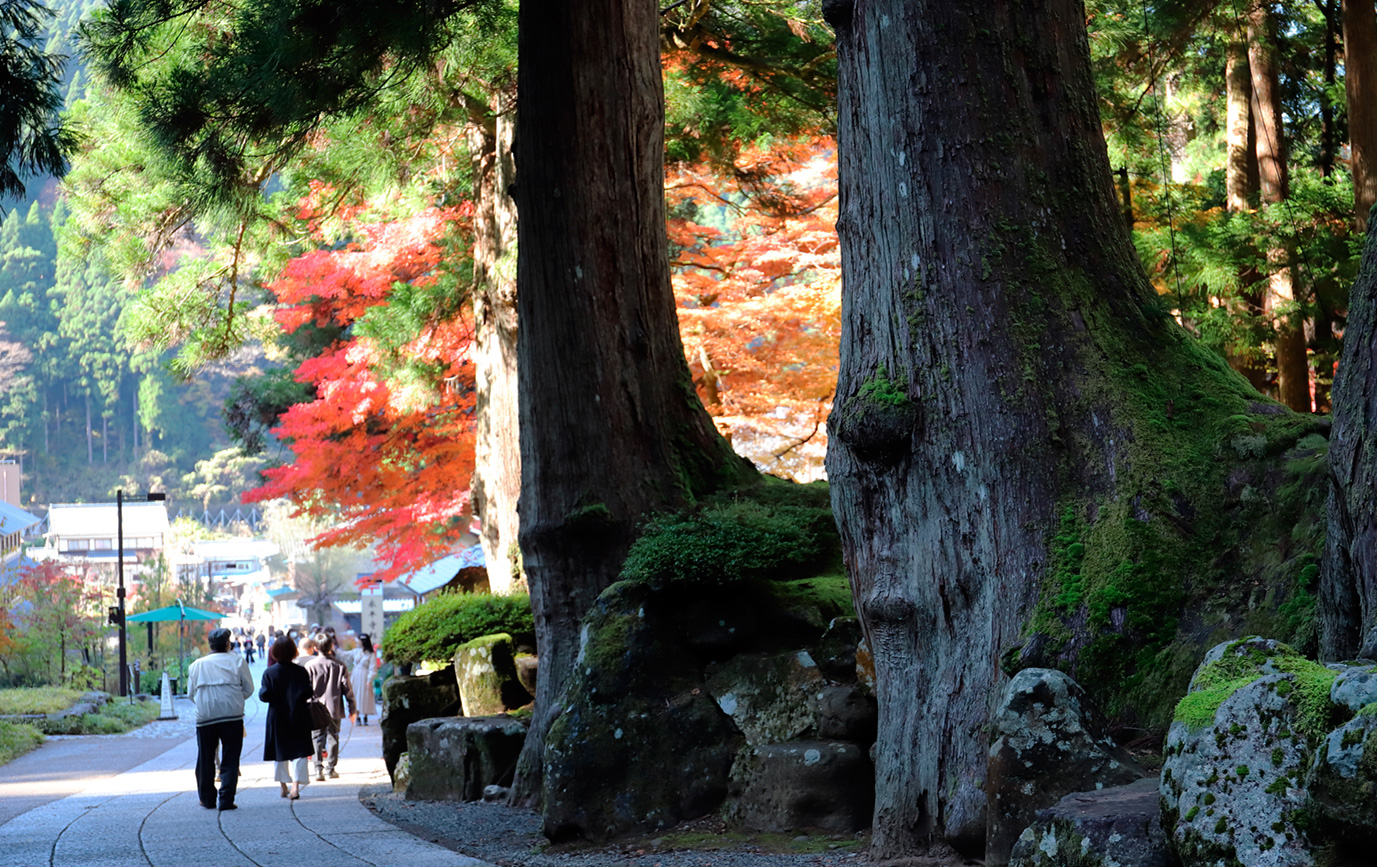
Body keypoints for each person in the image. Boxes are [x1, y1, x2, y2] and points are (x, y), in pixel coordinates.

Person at [186, 627, 255, 811]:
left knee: (205, 758)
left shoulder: (196, 665)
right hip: (232, 716)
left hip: (206, 717)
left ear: (210, 645)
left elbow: (191, 694)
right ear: (227, 644)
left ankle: (207, 799)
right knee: (231, 758)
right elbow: (248, 689)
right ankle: (226, 800)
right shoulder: (238, 662)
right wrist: (234, 699)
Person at [259, 635, 315, 800]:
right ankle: (295, 786)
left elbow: (264, 696)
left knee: (280, 752)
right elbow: (308, 692)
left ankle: (283, 786)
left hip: (278, 717)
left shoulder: (270, 672)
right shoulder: (300, 671)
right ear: (293, 651)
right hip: (299, 715)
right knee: (300, 752)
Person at [302, 634, 356, 780]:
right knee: (333, 736)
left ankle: (318, 769)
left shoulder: (310, 666)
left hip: (315, 708)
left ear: (314, 648)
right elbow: (347, 689)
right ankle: (330, 769)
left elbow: (306, 689)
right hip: (334, 706)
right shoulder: (339, 666)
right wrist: (352, 709)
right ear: (331, 646)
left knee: (316, 738)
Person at [345, 634, 379, 726]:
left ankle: (365, 715)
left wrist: (369, 680)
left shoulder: (370, 654)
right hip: (356, 675)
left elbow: (372, 668)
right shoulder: (356, 651)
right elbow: (345, 655)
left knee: (365, 695)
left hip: (364, 676)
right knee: (355, 695)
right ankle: (358, 715)